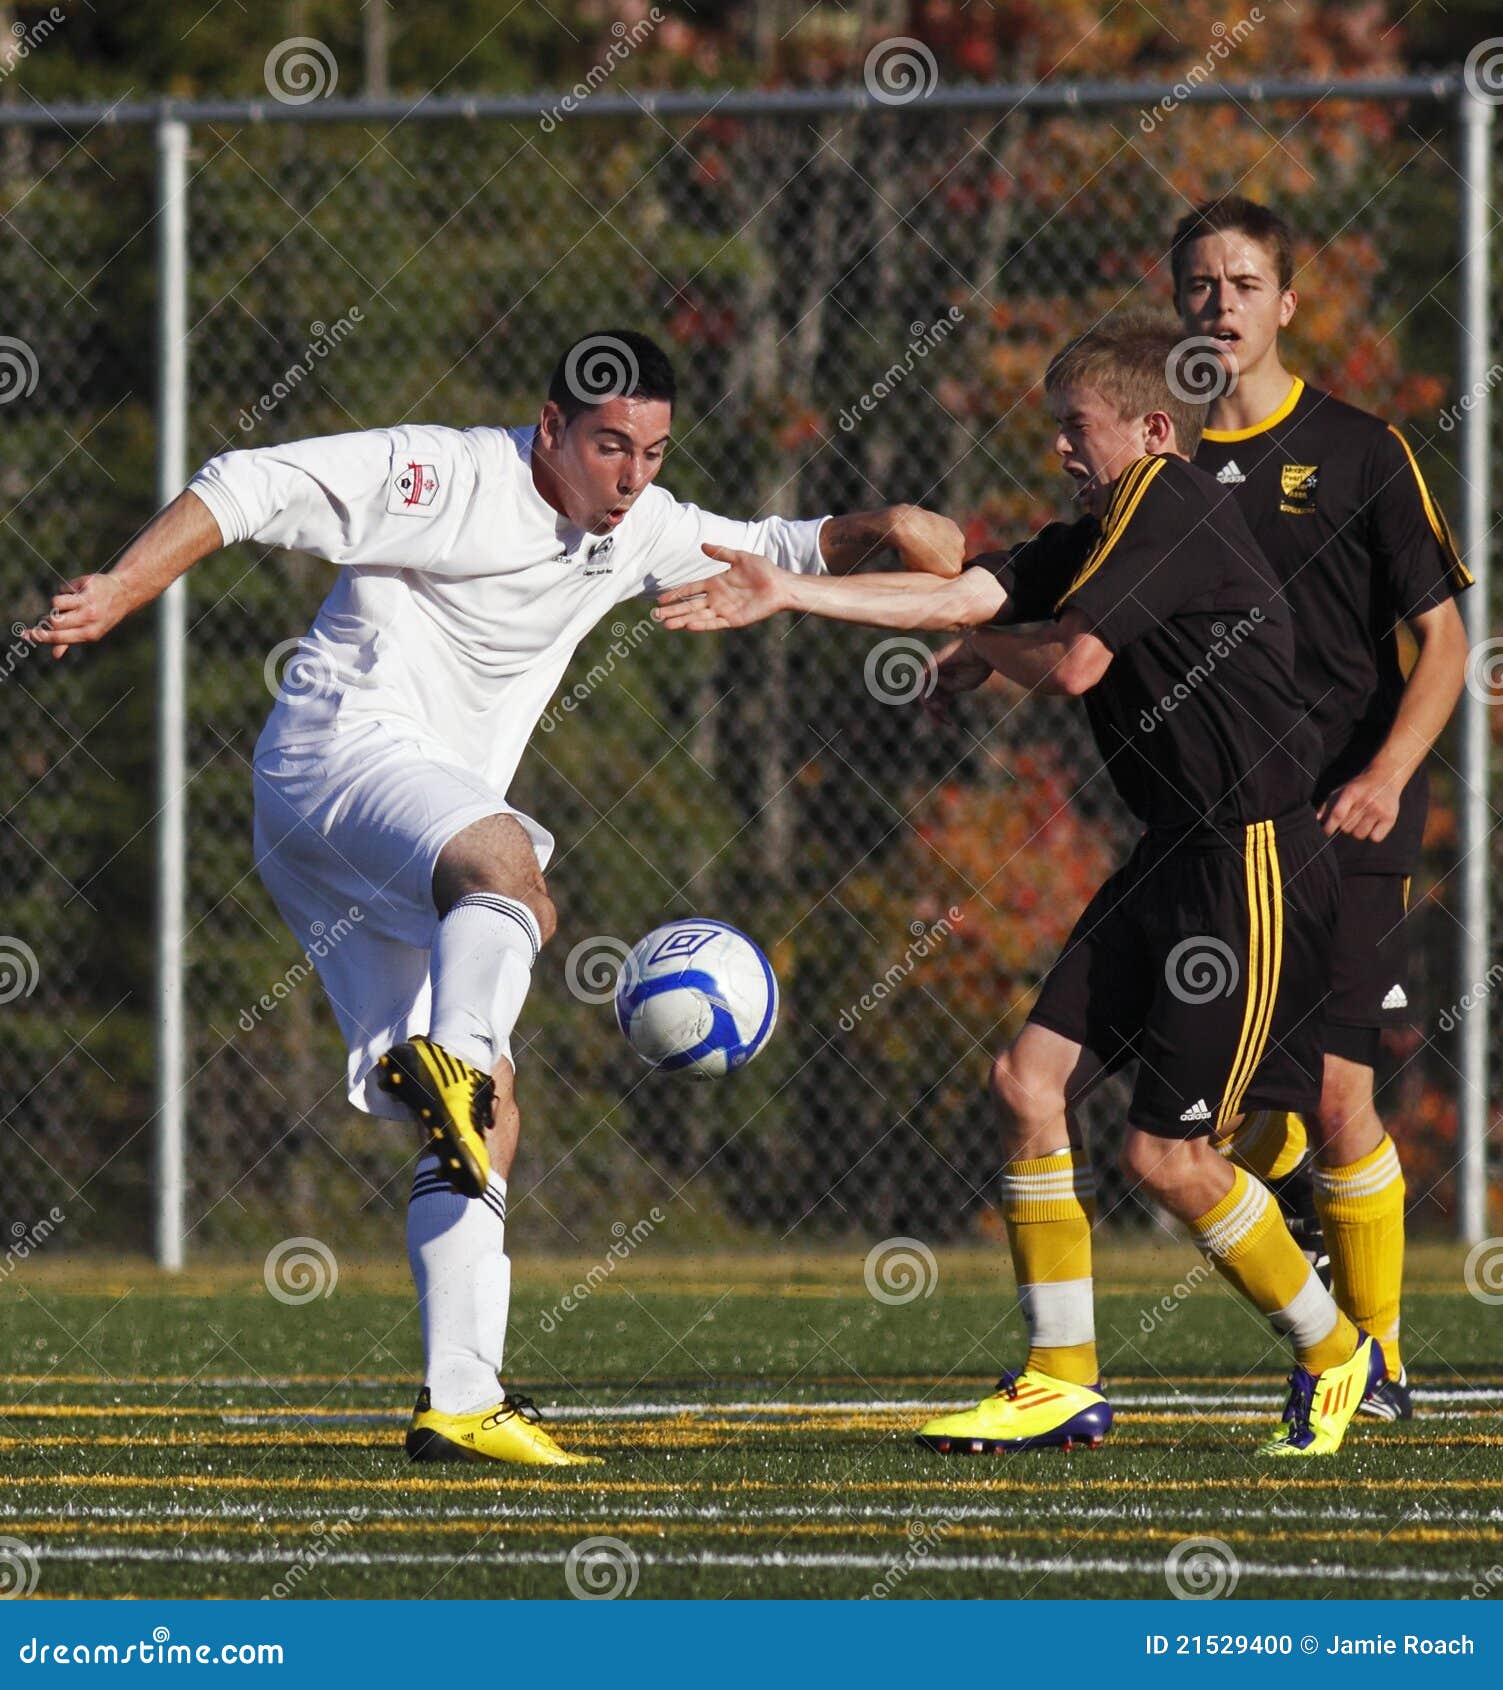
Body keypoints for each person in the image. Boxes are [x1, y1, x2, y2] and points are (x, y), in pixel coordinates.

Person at [23, 328, 964, 1467]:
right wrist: (126, 585)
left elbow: (771, 545)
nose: (633, 476)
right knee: (512, 873)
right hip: (335, 758)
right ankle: (457, 1061)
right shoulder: (447, 474)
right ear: (551, 427)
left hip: (385, 838)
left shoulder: (639, 524)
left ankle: (461, 1395)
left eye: (655, 452)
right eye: (610, 445)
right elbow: (251, 481)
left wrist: (888, 533)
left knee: (488, 1114)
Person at [657, 313, 1385, 1458]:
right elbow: (960, 600)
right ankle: (1061, 1378)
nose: (1060, 448)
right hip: (1171, 852)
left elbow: (1072, 661)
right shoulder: (1098, 525)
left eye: (1074, 427)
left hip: (1248, 860)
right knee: (1026, 1079)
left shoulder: (1172, 502)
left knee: (1167, 1159)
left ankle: (1335, 1352)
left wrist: (964, 638)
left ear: (1152, 429)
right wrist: (793, 592)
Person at [1171, 197, 1473, 1420]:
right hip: (1218, 830)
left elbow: (1445, 640)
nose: (1221, 304)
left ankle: (1381, 1359)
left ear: (1287, 304)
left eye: (1245, 283)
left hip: (1349, 815)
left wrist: (1390, 773)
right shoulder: (1163, 463)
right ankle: (1297, 1191)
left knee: (1343, 1091)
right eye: (1199, 283)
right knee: (1209, 1111)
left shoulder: (1360, 450)